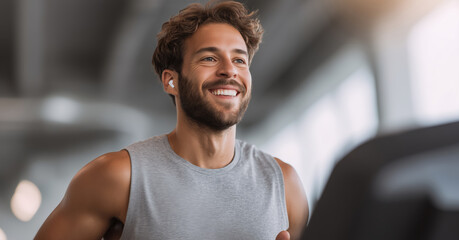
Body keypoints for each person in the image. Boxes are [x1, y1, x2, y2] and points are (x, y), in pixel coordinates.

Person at [35, 1, 308, 239]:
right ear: (171, 80)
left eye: (239, 60)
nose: (229, 71)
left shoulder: (284, 185)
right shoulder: (117, 177)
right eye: (210, 58)